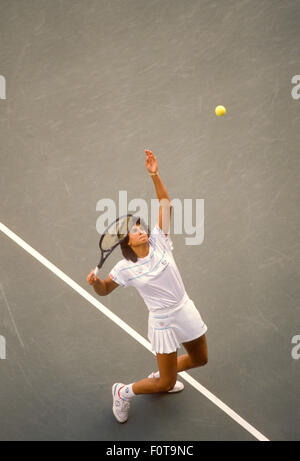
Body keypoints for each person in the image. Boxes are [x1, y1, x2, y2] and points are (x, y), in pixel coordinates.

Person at [86, 149, 208, 423]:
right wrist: (95, 283)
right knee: (166, 384)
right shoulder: (124, 268)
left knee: (200, 359)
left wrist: (154, 174)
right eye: (135, 231)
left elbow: (165, 203)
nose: (142, 230)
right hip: (162, 322)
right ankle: (123, 392)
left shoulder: (160, 241)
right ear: (127, 243)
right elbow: (105, 290)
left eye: (141, 227)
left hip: (184, 308)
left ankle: (162, 374)